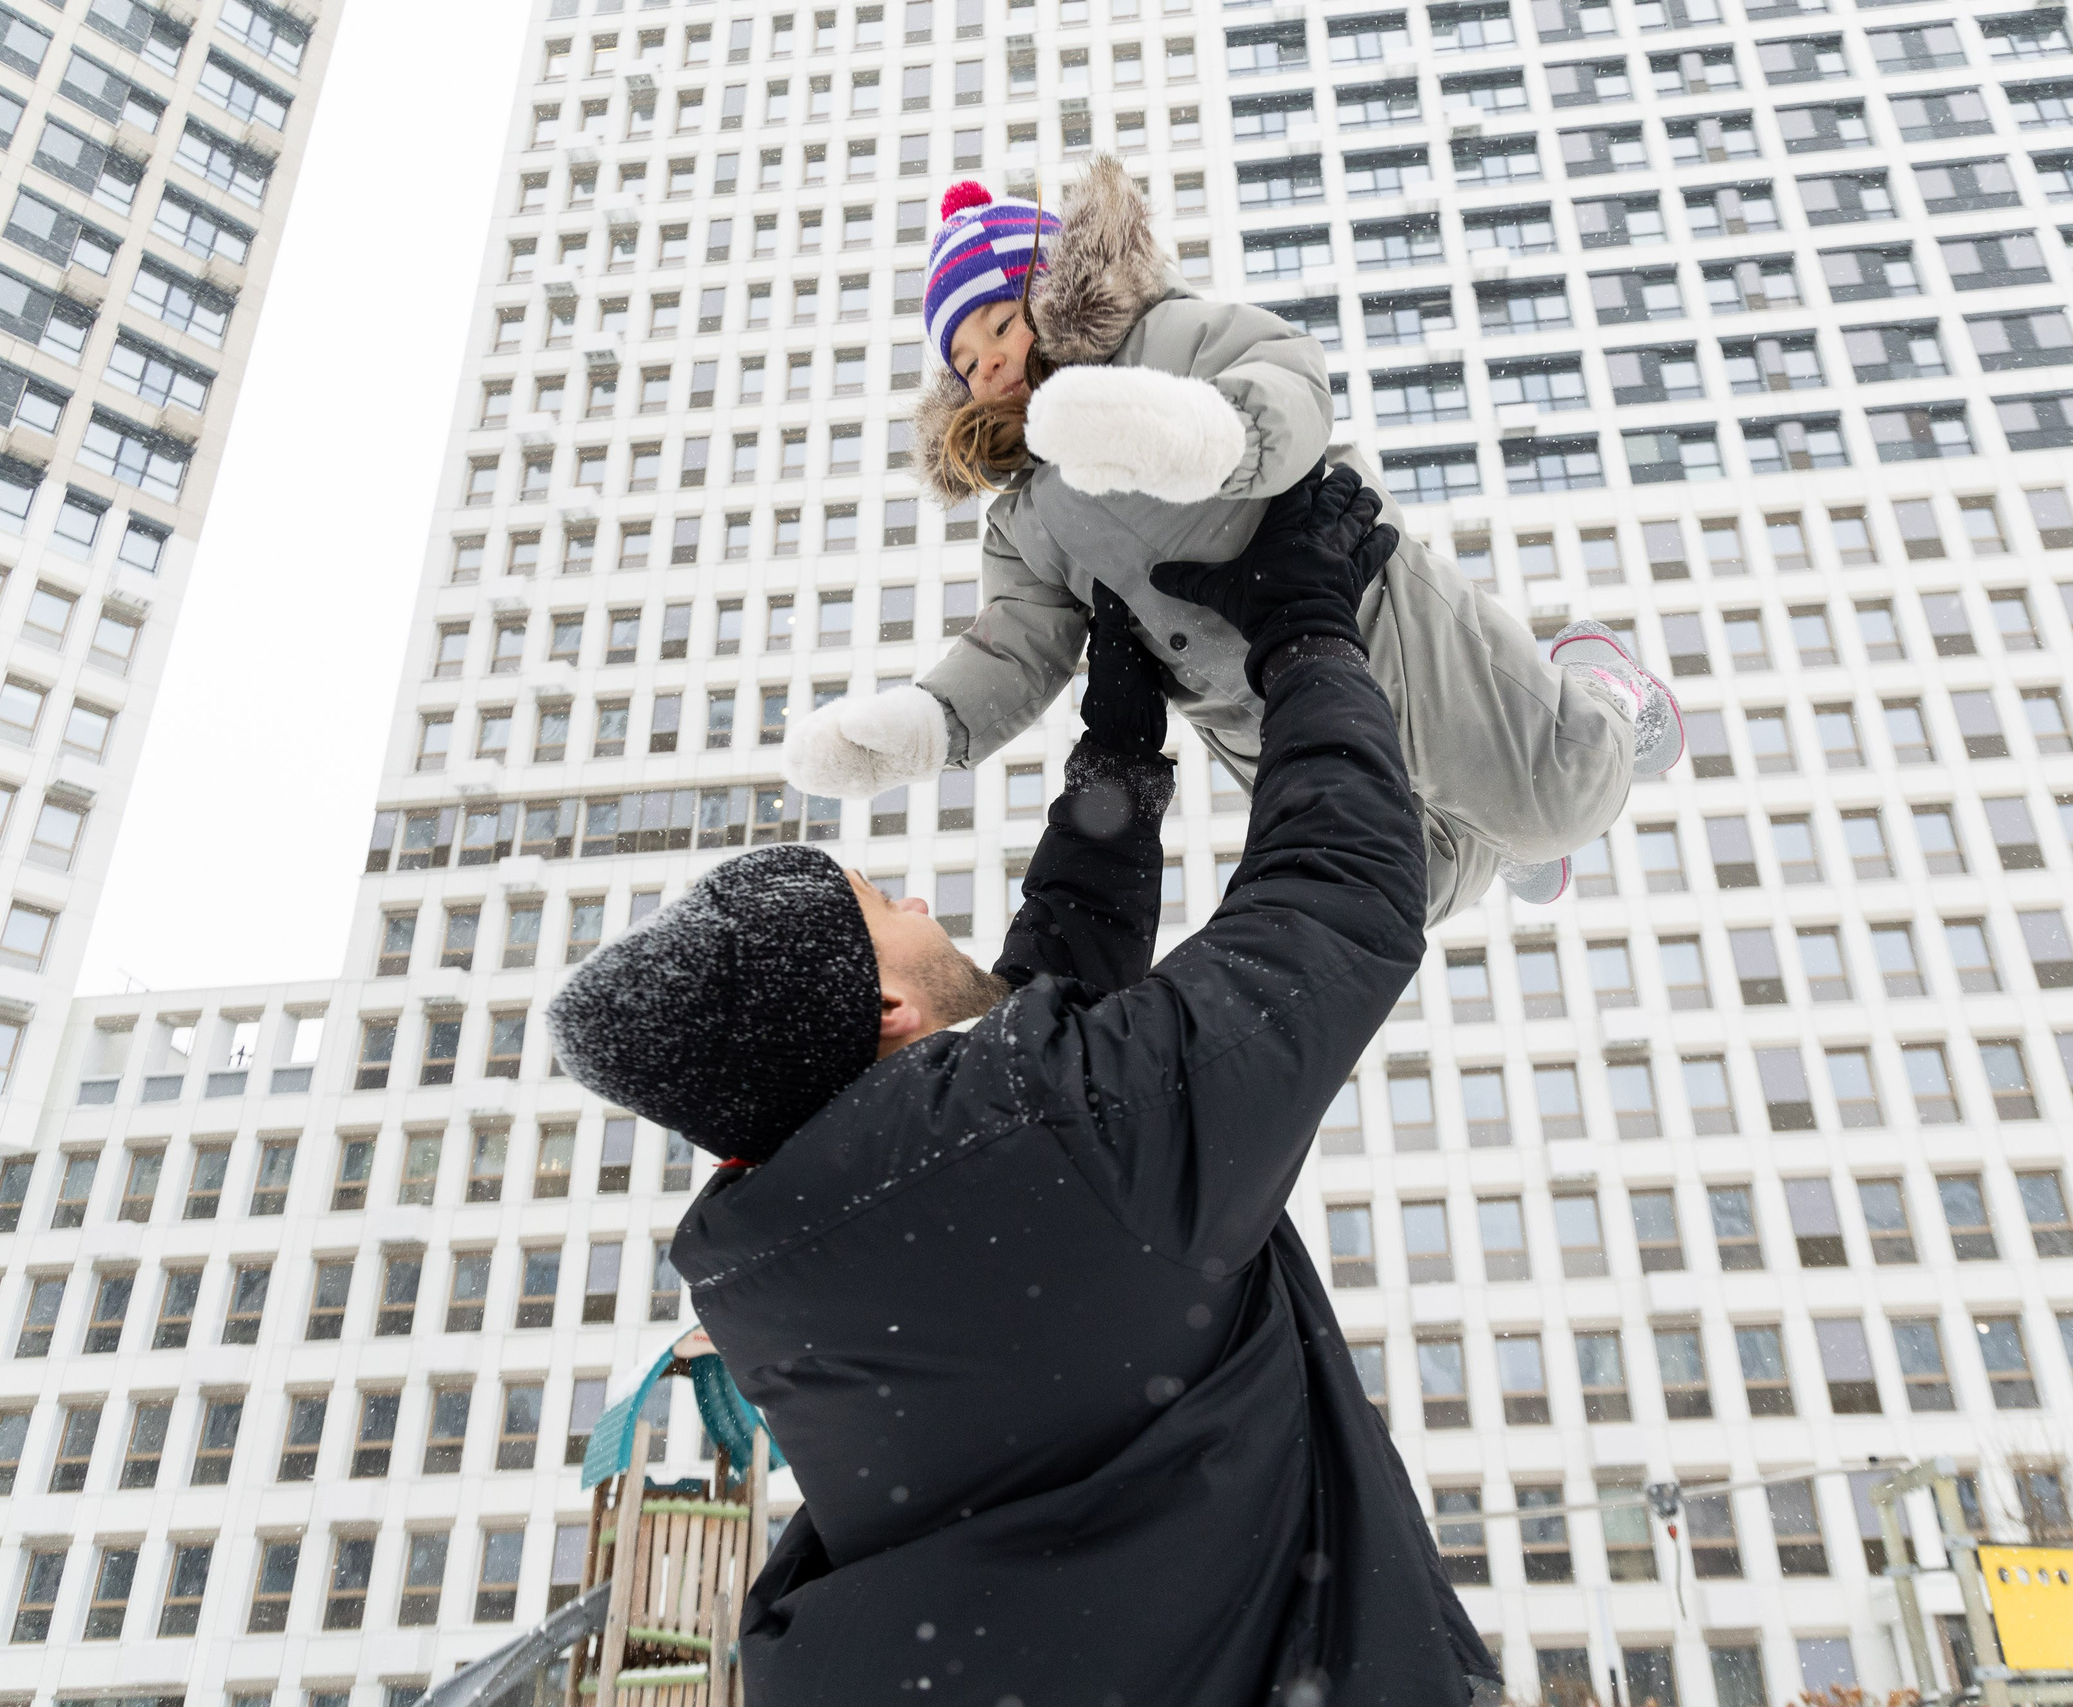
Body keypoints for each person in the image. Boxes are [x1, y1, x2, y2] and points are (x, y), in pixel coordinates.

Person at [548, 466, 1502, 1707]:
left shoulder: (798, 1272)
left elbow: (1026, 1055)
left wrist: (1114, 758)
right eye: (884, 908)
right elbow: (1335, 901)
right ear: (884, 1012)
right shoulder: (1067, 1149)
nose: (917, 901)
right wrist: (1308, 631)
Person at [779, 158, 1682, 920]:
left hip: (1368, 615)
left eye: (1003, 328)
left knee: (1563, 792)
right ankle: (1502, 833)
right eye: (969, 363)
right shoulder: (1022, 520)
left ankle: (1594, 691)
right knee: (1398, 888)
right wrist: (932, 722)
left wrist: (1212, 433)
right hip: (1253, 702)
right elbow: (1017, 640)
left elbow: (1290, 376)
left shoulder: (1163, 337)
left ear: (1048, 297)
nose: (994, 365)